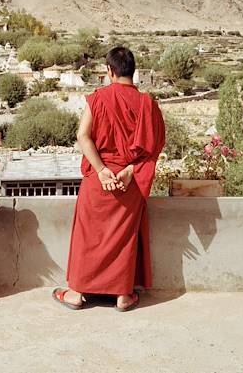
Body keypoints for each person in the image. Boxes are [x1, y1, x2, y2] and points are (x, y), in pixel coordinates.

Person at [53, 47, 165, 312]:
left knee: (87, 236)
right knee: (124, 238)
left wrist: (102, 170)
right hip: (129, 181)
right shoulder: (147, 103)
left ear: (109, 71)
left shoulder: (99, 98)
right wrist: (128, 170)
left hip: (98, 180)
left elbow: (83, 136)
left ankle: (76, 293)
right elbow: (155, 145)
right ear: (133, 72)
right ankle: (123, 296)